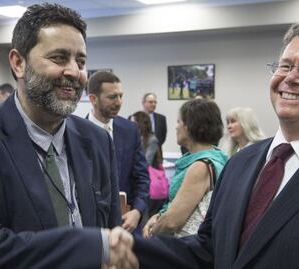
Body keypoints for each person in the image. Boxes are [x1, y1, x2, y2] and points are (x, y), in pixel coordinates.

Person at [133, 16, 299, 268]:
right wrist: (125, 248)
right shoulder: (240, 163)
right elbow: (208, 251)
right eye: (284, 66)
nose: (291, 78)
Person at [0, 3, 137, 269]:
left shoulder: (98, 141)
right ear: (18, 63)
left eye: (80, 61)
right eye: (59, 58)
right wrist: (91, 246)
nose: (74, 71)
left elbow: (112, 233)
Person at [143, 99, 228, 238]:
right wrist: (158, 216)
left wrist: (152, 232)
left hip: (187, 249)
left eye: (179, 121)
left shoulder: (201, 166)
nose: (176, 127)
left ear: (190, 126)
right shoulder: (216, 157)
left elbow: (171, 222)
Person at [88, 71, 149, 233]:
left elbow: (142, 177)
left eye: (121, 96)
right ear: (93, 99)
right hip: (90, 227)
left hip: (126, 222)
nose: (119, 102)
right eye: (112, 97)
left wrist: (137, 211)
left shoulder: (130, 130)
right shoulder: (77, 132)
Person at [130, 111, 166, 217]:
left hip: (148, 180)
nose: (130, 124)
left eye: (133, 122)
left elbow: (146, 161)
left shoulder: (151, 139)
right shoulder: (136, 137)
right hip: (137, 180)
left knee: (147, 215)